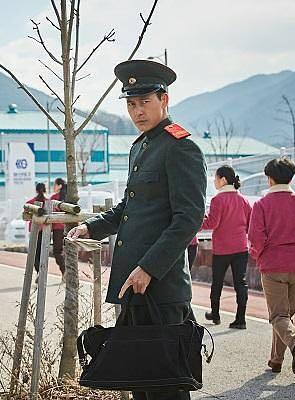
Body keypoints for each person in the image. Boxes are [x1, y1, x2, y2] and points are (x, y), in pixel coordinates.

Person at [68, 59, 206, 400]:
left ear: (164, 100)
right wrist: (91, 226)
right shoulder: (142, 146)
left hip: (160, 285)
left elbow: (188, 218)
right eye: (131, 103)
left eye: (145, 101)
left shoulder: (180, 147)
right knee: (141, 382)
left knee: (165, 387)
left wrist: (149, 268)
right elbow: (130, 209)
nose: (137, 111)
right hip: (133, 283)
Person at [248, 158, 295, 375]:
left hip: (273, 265)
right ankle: (276, 361)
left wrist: (256, 255)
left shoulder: (262, 205)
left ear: (269, 178)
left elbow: (256, 238)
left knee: (278, 316)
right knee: (285, 315)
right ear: (291, 177)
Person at [201, 165, 251, 329]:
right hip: (241, 247)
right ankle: (240, 319)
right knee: (240, 283)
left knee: (217, 282)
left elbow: (212, 223)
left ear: (223, 180)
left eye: (215, 179)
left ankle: (215, 314)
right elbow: (251, 223)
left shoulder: (218, 200)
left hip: (222, 249)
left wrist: (197, 222)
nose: (214, 182)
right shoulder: (243, 200)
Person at [26, 183, 47, 278]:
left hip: (35, 231)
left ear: (36, 190)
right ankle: (42, 273)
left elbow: (26, 216)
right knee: (43, 253)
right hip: (46, 230)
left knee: (35, 253)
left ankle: (39, 272)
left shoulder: (30, 202)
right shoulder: (48, 202)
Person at [50, 178, 67, 276]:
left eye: (54, 185)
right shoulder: (69, 197)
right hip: (69, 227)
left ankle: (64, 271)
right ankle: (68, 272)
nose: (53, 187)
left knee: (57, 251)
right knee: (68, 250)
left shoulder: (54, 198)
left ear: (59, 186)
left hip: (58, 228)